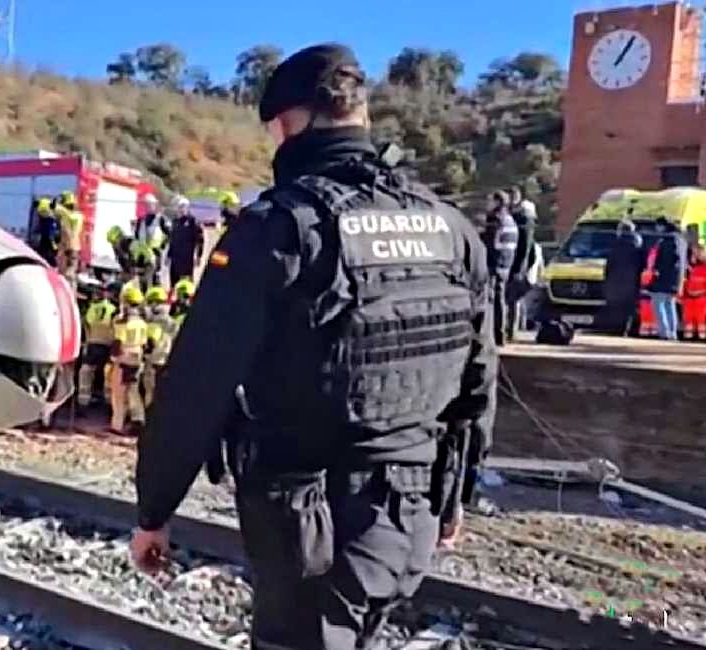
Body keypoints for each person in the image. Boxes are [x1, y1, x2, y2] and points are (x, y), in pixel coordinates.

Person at [129, 43, 496, 650]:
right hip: (411, 517)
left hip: (310, 524)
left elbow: (197, 384)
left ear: (289, 123)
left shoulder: (279, 227)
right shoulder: (451, 229)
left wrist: (154, 511)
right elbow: (477, 383)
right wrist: (454, 496)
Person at [481, 190, 518, 346]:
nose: (488, 204)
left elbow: (487, 243)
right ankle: (501, 334)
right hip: (506, 264)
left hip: (494, 264)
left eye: (491, 201)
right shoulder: (510, 219)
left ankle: (495, 335)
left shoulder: (496, 220)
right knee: (501, 300)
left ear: (497, 202)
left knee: (492, 301)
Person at [110, 284, 148, 435]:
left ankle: (117, 425)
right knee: (133, 390)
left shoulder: (123, 322)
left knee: (118, 393)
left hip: (123, 359)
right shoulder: (143, 323)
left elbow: (118, 342)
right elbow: (145, 344)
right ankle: (138, 419)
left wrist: (113, 358)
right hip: (137, 358)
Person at [600, 220, 644, 336]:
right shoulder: (638, 246)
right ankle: (628, 329)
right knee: (629, 308)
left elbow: (609, 265)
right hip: (632, 282)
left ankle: (617, 330)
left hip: (615, 283)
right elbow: (641, 265)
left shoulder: (616, 245)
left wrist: (606, 280)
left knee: (616, 308)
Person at [78, 283, 118, 408]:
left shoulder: (92, 308)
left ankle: (83, 401)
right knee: (108, 373)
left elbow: (87, 324)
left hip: (94, 343)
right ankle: (109, 401)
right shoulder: (113, 308)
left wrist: (87, 342)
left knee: (86, 372)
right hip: (108, 344)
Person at [505, 186, 536, 340]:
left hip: (517, 265)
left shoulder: (523, 219)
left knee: (512, 299)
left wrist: (519, 268)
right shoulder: (522, 217)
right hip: (519, 264)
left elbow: (525, 246)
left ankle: (511, 332)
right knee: (515, 299)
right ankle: (513, 330)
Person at [650, 217, 687, 341]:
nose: (656, 229)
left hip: (663, 279)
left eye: (658, 226)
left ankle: (664, 332)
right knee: (670, 305)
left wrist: (656, 272)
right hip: (676, 280)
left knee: (659, 304)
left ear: (663, 226)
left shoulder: (666, 241)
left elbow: (663, 262)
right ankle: (672, 332)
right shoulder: (681, 240)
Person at [142, 286, 176, 407]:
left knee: (149, 389)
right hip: (166, 359)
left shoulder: (154, 320)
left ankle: (149, 415)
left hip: (153, 359)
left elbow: (151, 341)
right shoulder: (172, 321)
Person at [167, 196, 205, 284]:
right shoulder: (175, 222)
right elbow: (172, 240)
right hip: (175, 258)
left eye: (183, 207)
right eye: (179, 207)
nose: (181, 209)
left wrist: (199, 256)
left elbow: (200, 240)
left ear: (187, 208)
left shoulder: (193, 222)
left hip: (187, 258)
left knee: (186, 283)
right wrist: (169, 255)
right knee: (174, 283)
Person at [136, 194, 170, 284]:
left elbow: (169, 234)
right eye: (146, 205)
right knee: (142, 278)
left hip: (155, 252)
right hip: (142, 253)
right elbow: (137, 236)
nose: (148, 207)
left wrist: (163, 246)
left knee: (155, 277)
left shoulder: (160, 219)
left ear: (154, 205)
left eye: (150, 204)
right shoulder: (141, 220)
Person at [32, 197, 60, 267]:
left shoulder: (44, 219)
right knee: (48, 249)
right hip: (48, 237)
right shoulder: (50, 219)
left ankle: (51, 262)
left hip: (47, 237)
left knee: (46, 249)